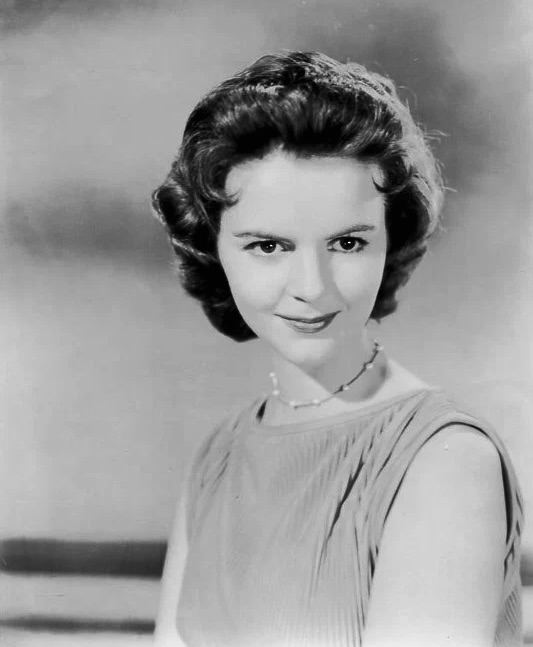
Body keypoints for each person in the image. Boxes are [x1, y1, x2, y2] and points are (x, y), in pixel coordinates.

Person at [150, 52, 523, 647]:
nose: (312, 286)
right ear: (213, 248)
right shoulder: (218, 457)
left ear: (391, 240)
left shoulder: (445, 459)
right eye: (268, 246)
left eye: (347, 243)